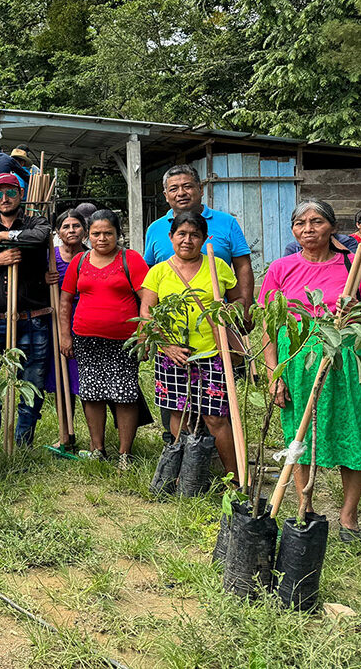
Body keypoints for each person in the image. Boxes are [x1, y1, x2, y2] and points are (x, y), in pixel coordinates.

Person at [261, 200, 361, 542]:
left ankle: (348, 517)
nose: (308, 229)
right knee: (298, 436)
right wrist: (274, 373)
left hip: (343, 361)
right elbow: (269, 324)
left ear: (332, 227)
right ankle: (305, 508)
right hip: (297, 362)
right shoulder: (281, 268)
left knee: (352, 433)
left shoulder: (352, 266)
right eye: (300, 223)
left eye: (316, 221)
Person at [142, 164, 253, 444]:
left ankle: (219, 455)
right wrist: (152, 334)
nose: (181, 192)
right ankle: (183, 454)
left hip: (215, 330)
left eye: (187, 186)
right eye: (174, 188)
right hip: (173, 335)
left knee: (217, 407)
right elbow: (148, 278)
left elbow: (243, 265)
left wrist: (244, 307)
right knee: (177, 407)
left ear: (200, 189)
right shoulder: (155, 229)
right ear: (166, 195)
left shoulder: (226, 223)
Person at [139, 211, 243, 481]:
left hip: (213, 353)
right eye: (181, 234)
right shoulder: (158, 272)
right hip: (172, 356)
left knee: (216, 417)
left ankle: (235, 478)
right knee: (179, 413)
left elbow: (238, 302)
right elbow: (147, 315)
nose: (187, 240)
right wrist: (167, 346)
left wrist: (230, 311)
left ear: (204, 238)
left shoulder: (217, 266)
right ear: (171, 237)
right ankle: (185, 477)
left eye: (195, 235)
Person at [0, 173, 53, 462]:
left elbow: (40, 238)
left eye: (11, 192)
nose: (5, 199)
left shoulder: (35, 223)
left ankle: (22, 446)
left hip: (32, 318)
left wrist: (5, 237)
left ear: (21, 194)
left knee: (31, 386)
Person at [58, 210, 149, 468]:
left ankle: (124, 454)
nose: (102, 238)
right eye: (96, 233)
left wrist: (143, 336)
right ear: (88, 235)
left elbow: (147, 299)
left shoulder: (130, 259)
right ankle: (97, 448)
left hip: (124, 340)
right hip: (86, 339)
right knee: (91, 393)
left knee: (125, 394)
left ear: (118, 234)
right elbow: (65, 301)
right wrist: (65, 335)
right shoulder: (80, 261)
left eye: (108, 233)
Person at [49, 209, 87, 449]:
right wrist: (44, 280)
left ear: (84, 230)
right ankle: (65, 434)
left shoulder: (92, 256)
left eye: (76, 226)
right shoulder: (51, 258)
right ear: (58, 232)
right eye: (66, 226)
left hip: (86, 321)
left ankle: (96, 437)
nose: (71, 230)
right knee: (62, 381)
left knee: (87, 380)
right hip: (58, 323)